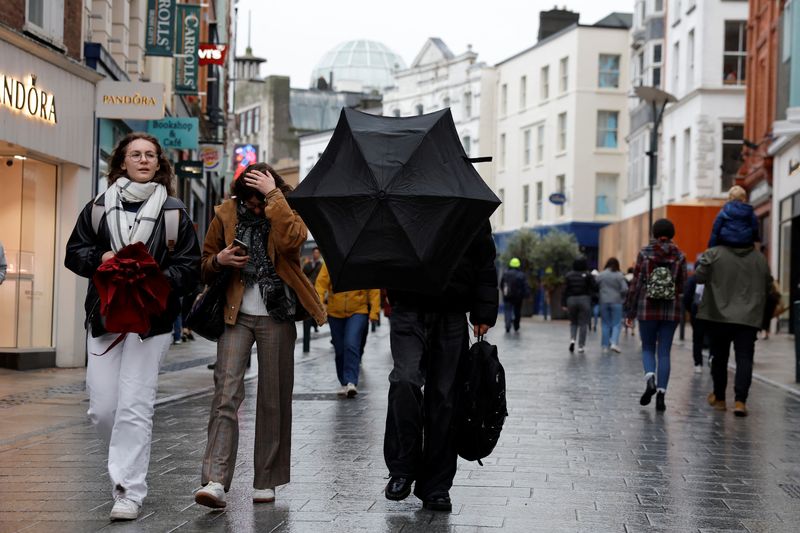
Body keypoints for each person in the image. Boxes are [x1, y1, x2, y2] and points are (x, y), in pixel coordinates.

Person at [64, 132, 200, 521]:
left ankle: (128, 490)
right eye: (135, 154)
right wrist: (104, 257)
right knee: (103, 408)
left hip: (151, 321)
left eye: (150, 155)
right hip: (105, 317)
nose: (143, 160)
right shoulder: (97, 206)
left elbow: (189, 268)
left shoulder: (174, 212)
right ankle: (123, 461)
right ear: (121, 162)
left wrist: (154, 277)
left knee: (135, 407)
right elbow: (74, 253)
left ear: (159, 164)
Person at [195, 163, 326, 509]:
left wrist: (273, 196)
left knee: (273, 397)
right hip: (235, 314)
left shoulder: (286, 210)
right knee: (226, 392)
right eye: (250, 201)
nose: (254, 208)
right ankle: (215, 480)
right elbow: (204, 262)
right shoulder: (225, 213)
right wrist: (220, 260)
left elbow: (292, 240)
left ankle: (266, 480)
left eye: (259, 200)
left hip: (277, 314)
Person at [383, 220, 497, 513]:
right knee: (405, 380)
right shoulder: (399, 199)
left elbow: (484, 260)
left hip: (451, 311)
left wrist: (483, 310)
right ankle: (403, 467)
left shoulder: (468, 204)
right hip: (408, 307)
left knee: (445, 400)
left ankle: (436, 486)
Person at [697, 243, 772, 417]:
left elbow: (699, 277)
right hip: (748, 317)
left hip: (719, 315)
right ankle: (740, 401)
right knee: (745, 358)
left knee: (719, 357)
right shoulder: (758, 257)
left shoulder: (714, 253)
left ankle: (721, 399)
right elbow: (768, 284)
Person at [624, 219, 687, 413]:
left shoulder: (645, 253)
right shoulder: (680, 256)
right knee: (665, 351)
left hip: (647, 307)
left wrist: (630, 311)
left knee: (648, 347)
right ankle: (661, 394)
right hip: (671, 309)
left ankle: (650, 378)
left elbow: (635, 284)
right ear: (672, 233)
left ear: (653, 233)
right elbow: (682, 285)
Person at [315, 262, 380, 397]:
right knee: (339, 350)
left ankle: (351, 381)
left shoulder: (362, 262)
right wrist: (319, 307)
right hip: (334, 313)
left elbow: (373, 288)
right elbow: (320, 285)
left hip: (358, 311)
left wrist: (374, 311)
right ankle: (344, 383)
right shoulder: (330, 262)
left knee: (351, 344)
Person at [561, 257, 596, 354]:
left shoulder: (569, 275)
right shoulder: (588, 275)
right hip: (584, 299)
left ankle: (572, 339)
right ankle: (581, 346)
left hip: (571, 299)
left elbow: (565, 290)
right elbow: (594, 287)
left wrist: (563, 303)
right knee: (583, 323)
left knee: (573, 322)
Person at [596, 257, 628, 353]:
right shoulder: (619, 275)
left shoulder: (601, 275)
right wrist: (621, 296)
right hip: (616, 301)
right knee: (616, 323)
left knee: (605, 324)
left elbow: (595, 285)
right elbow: (625, 289)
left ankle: (605, 346)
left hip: (604, 301)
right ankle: (614, 342)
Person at [682, 273, 707, 372]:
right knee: (713, 338)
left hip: (697, 312)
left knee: (697, 339)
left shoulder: (693, 279)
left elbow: (687, 297)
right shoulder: (714, 276)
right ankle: (712, 358)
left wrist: (691, 310)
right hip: (711, 313)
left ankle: (698, 364)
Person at [500, 257, 530, 333]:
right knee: (517, 311)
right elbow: (525, 285)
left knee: (507, 311)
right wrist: (526, 295)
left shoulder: (506, 273)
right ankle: (516, 326)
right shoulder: (521, 275)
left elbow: (501, 284)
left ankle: (507, 325)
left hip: (507, 296)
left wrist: (504, 292)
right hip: (518, 297)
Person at [303, 247, 323, 335]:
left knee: (316, 307)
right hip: (308, 289)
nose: (316, 254)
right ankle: (310, 323)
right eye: (314, 253)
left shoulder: (321, 265)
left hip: (317, 289)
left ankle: (315, 324)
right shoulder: (308, 264)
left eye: (317, 253)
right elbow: (303, 274)